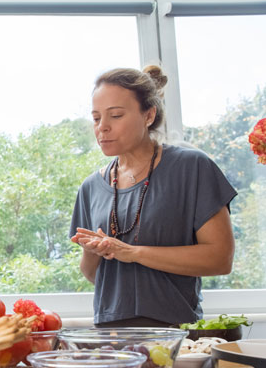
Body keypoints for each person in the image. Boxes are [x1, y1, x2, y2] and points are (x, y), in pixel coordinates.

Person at [70, 65, 236, 327]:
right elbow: (92, 274)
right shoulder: (91, 187)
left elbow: (220, 258)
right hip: (111, 340)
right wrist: (96, 252)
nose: (102, 127)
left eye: (115, 116)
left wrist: (132, 252)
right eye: (96, 118)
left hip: (175, 335)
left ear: (148, 115)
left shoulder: (192, 167)